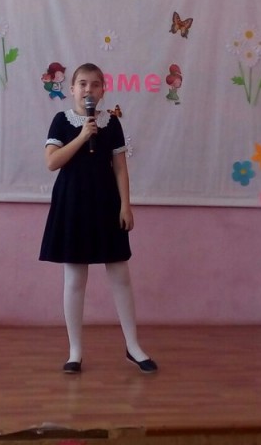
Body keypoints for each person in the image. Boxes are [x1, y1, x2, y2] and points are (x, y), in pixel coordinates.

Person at [39, 63, 157, 374]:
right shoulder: (61, 121)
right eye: (82, 84)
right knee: (75, 278)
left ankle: (133, 346)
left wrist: (126, 206)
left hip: (106, 203)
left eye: (95, 84)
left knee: (120, 274)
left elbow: (120, 168)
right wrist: (82, 137)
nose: (88, 90)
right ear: (72, 89)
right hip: (72, 204)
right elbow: (52, 162)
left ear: (103, 90)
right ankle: (75, 351)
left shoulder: (111, 123)